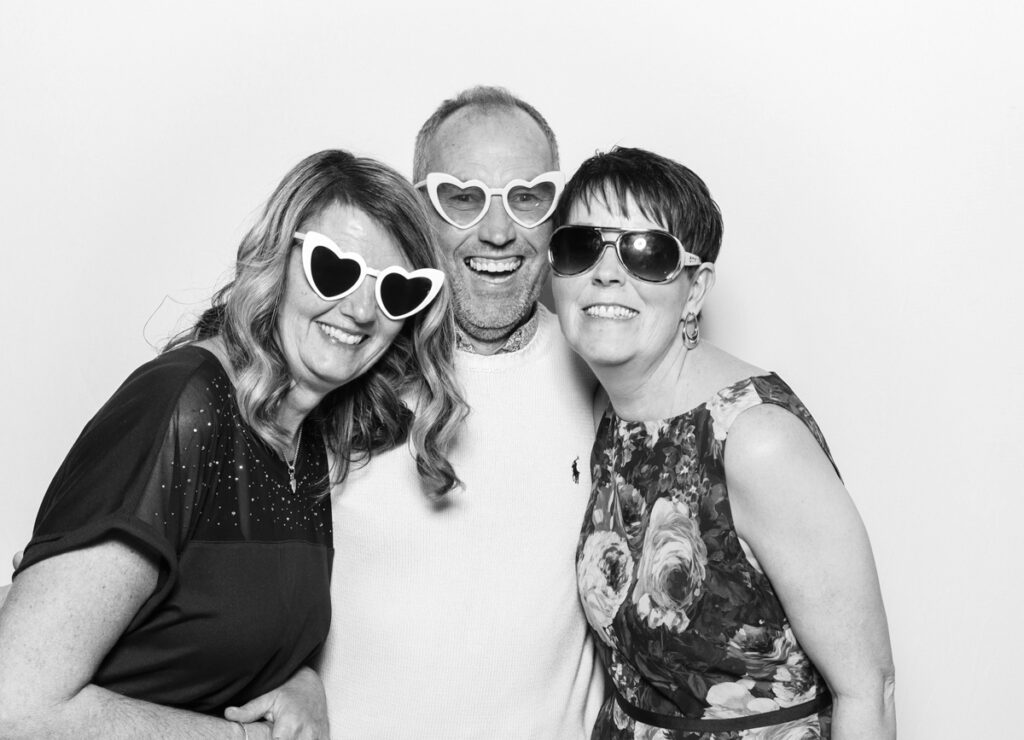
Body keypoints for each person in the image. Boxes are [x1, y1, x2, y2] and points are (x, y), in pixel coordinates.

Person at [0, 149, 465, 739]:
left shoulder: (308, 436)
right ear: (277, 259)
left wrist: (302, 680)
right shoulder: (185, 405)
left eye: (396, 291)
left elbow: (217, 619)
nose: (360, 309)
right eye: (335, 269)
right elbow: (14, 705)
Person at [550, 147, 896, 739]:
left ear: (694, 290)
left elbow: (869, 690)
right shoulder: (613, 415)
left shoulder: (756, 440)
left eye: (646, 253)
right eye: (583, 247)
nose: (607, 273)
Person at [315, 87, 606, 737]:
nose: (498, 231)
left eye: (527, 197)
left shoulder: (607, 374)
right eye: (463, 197)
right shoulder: (347, 365)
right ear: (420, 213)